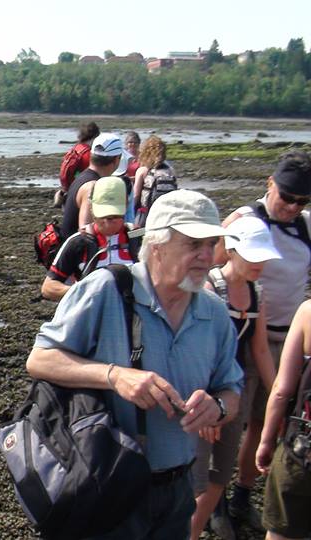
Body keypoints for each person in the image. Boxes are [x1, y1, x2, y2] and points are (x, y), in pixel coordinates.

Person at [27, 190, 243, 539]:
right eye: (194, 244)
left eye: (212, 243)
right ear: (157, 245)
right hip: (109, 482)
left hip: (178, 490)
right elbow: (40, 359)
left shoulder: (215, 312)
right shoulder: (106, 289)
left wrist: (217, 407)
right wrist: (115, 376)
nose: (207, 256)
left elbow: (232, 389)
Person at [219, 151, 311, 530]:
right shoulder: (243, 221)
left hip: (288, 341)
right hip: (241, 338)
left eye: (301, 201)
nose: (291, 207)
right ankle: (215, 501)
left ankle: (243, 494)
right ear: (270, 184)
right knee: (229, 422)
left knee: (263, 423)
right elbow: (212, 272)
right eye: (286, 197)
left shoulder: (306, 228)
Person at [189, 216, 281, 540]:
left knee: (222, 469)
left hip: (235, 391)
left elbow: (261, 351)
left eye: (263, 256)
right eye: (253, 256)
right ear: (232, 250)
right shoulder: (209, 287)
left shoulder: (257, 293)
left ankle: (202, 526)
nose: (260, 263)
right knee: (195, 475)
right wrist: (210, 405)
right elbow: (196, 349)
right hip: (204, 394)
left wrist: (280, 397)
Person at [256, 299, 311, 540]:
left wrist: (266, 441)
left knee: (281, 532)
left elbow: (281, 389)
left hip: (301, 452)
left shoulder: (307, 311)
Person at [41, 176, 138, 301]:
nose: (108, 222)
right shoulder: (78, 242)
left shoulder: (140, 239)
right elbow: (48, 287)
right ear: (91, 208)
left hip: (133, 318)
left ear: (126, 205)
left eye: (115, 215)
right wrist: (85, 292)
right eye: (103, 214)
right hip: (93, 315)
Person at [60, 133, 125, 240]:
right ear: (117, 159)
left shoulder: (82, 178)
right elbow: (86, 231)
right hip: (78, 253)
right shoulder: (92, 187)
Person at [133, 136, 177, 228]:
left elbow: (136, 196)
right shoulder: (170, 170)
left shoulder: (143, 171)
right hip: (167, 214)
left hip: (147, 214)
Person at [56, 122, 101, 207]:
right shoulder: (88, 154)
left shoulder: (75, 149)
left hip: (68, 192)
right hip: (80, 194)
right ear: (95, 136)